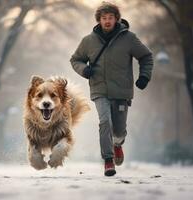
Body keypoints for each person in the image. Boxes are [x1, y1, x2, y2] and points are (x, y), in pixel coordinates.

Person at [70, 2, 153, 176]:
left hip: (122, 91)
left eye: (110, 18)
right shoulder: (88, 41)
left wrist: (144, 76)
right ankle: (108, 160)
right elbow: (75, 59)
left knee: (119, 130)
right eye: (104, 18)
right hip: (99, 89)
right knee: (104, 121)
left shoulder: (129, 38)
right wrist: (84, 70)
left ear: (117, 19)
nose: (107, 21)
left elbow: (146, 56)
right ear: (99, 20)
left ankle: (118, 144)